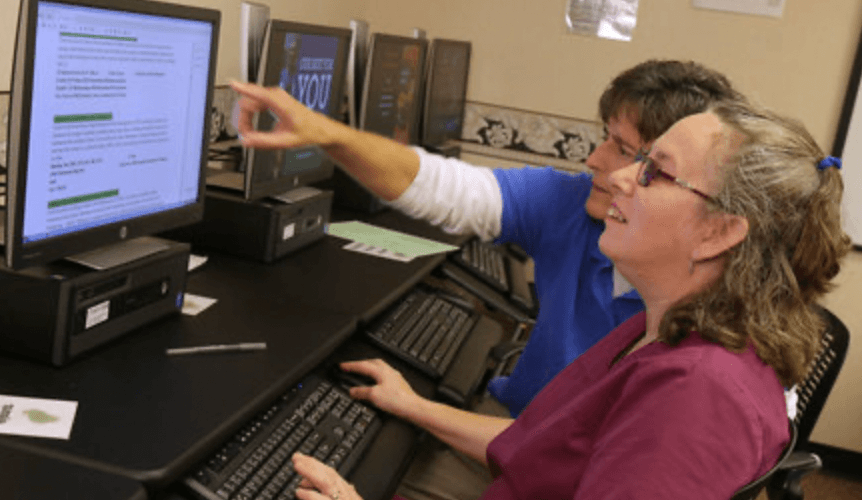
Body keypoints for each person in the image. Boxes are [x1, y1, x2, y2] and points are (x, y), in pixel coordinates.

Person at [232, 90, 851, 498]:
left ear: (720, 232)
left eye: (653, 170)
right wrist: (414, 405)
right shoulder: (664, 330)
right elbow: (540, 453)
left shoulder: (698, 395)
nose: (615, 176)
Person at [235, 60, 745, 418]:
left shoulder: (706, 335)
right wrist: (329, 134)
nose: (594, 160)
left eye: (623, 149)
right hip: (519, 433)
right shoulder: (573, 203)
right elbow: (443, 187)